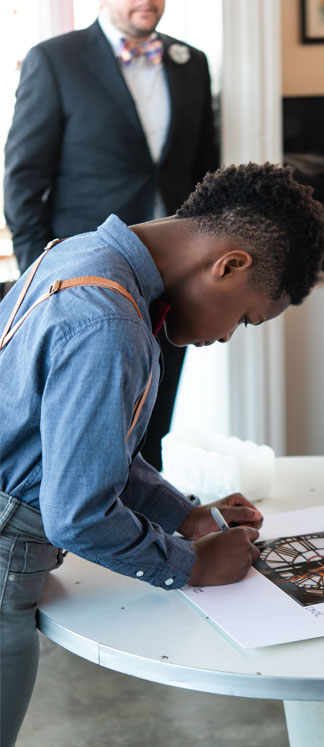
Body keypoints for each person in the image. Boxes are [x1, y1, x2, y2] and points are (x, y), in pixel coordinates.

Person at [0, 161, 324, 747]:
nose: (228, 336)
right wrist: (190, 564)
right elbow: (79, 513)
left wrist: (184, 513)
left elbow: (87, 447)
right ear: (229, 265)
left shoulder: (81, 253)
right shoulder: (110, 323)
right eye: (245, 319)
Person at [3, 0, 218, 471]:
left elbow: (207, 173)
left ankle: (151, 529)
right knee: (89, 430)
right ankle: (94, 529)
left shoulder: (191, 62)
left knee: (154, 418)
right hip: (88, 283)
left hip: (175, 280)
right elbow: (23, 180)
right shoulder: (55, 59)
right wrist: (41, 274)